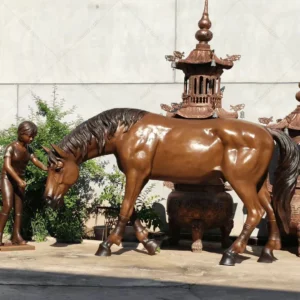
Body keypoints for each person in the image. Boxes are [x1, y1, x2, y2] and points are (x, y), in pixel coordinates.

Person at [0, 121, 47, 246]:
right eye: (29, 136)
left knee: (19, 210)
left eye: (33, 136)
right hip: (8, 179)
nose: (31, 139)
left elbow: (35, 160)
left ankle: (16, 236)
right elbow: (7, 166)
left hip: (20, 180)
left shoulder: (28, 149)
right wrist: (19, 180)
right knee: (8, 206)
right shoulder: (11, 147)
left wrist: (46, 168)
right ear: (21, 133)